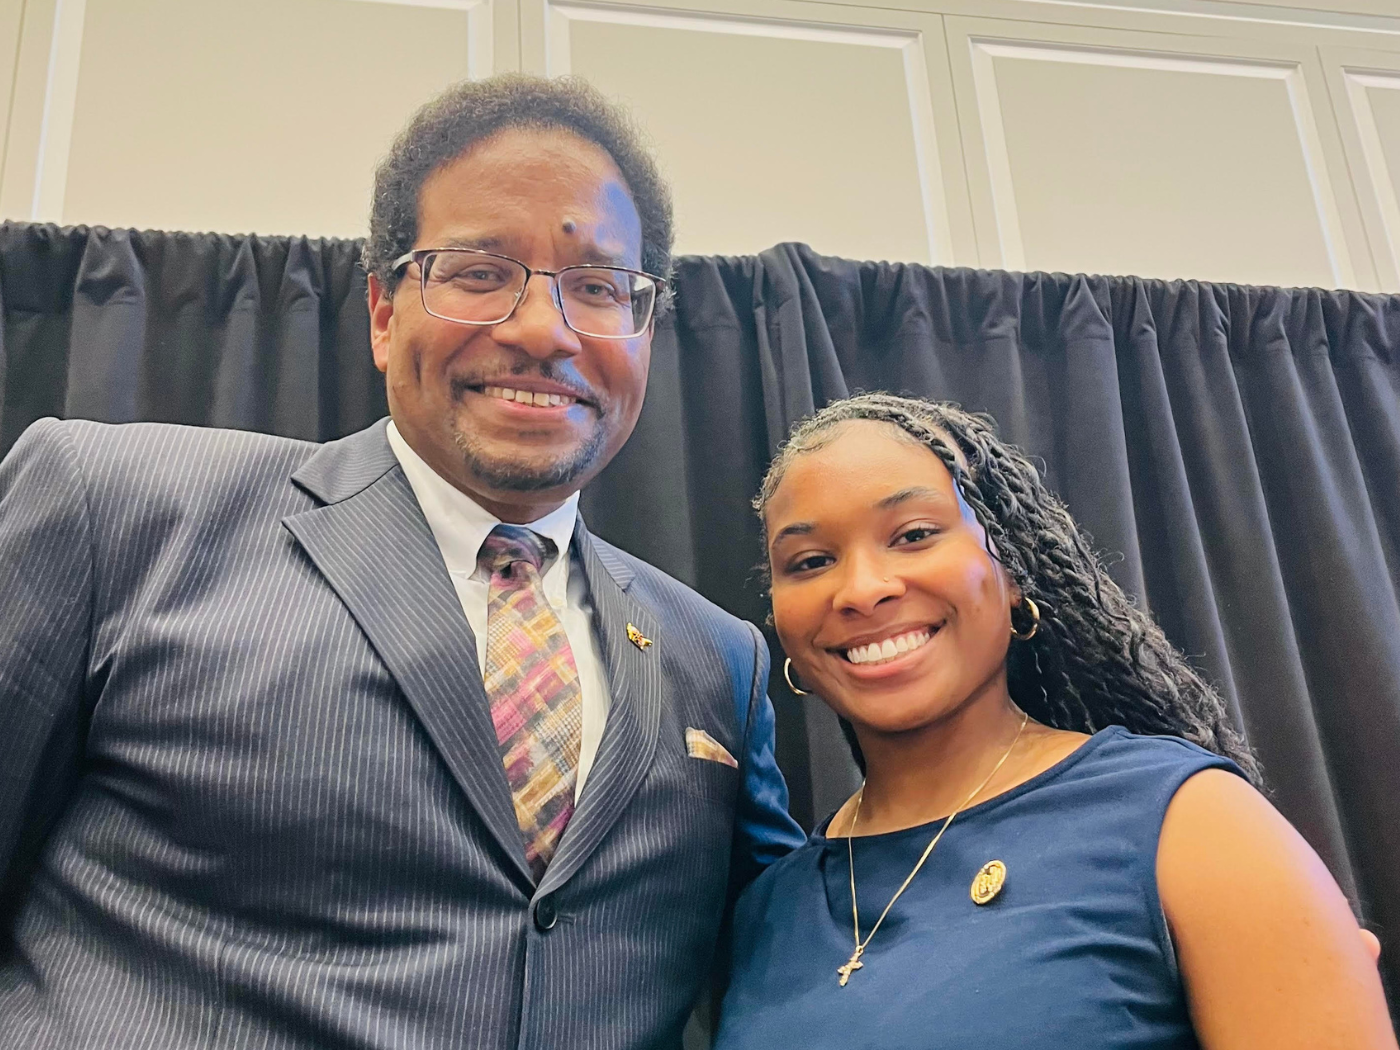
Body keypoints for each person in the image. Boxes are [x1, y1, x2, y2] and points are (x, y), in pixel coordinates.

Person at [0, 75, 803, 1049]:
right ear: (383, 312)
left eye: (597, 288)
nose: (543, 331)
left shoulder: (720, 661)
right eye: (476, 271)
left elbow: (825, 954)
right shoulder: (117, 509)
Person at [715, 393, 1396, 1049]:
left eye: (914, 535)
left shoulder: (1186, 819)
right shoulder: (769, 907)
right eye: (810, 562)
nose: (863, 589)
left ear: (1011, 571)